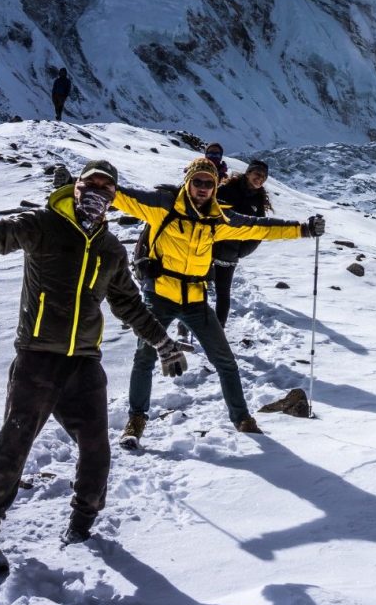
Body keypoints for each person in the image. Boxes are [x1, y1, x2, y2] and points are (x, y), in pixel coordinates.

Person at [0, 160, 188, 574]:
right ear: (76, 187)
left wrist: (163, 343)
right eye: (90, 183)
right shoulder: (43, 224)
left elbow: (128, 304)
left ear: (113, 197)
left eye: (106, 187)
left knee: (97, 450)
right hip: (37, 358)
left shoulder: (110, 249)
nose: (97, 191)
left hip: (84, 362)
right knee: (13, 445)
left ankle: (81, 527)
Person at [113, 157, 325, 447]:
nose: (202, 187)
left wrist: (303, 229)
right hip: (160, 295)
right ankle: (136, 419)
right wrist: (74, 187)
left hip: (196, 300)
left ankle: (242, 418)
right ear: (188, 182)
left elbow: (260, 227)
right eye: (197, 181)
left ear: (215, 187)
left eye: (209, 183)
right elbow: (116, 194)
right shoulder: (163, 206)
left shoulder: (220, 218)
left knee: (225, 361)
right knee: (145, 357)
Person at [213, 159, 272, 327]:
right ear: (248, 173)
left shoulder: (258, 200)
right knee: (196, 288)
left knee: (223, 292)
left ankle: (218, 332)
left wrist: (242, 250)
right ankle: (185, 329)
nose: (260, 178)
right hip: (207, 247)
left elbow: (259, 230)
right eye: (257, 174)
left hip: (230, 252)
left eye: (264, 177)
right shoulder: (225, 189)